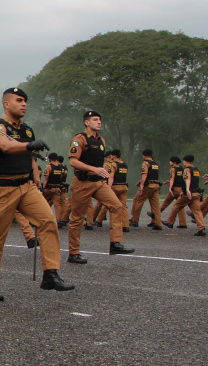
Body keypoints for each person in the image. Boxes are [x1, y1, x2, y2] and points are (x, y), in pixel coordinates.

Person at [0, 87, 71, 301]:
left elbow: (30, 158)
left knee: (49, 221)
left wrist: (37, 180)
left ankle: (50, 273)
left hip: (27, 185)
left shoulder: (27, 130)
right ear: (6, 104)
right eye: (19, 100)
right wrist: (28, 144)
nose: (24, 104)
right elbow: (5, 146)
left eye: (25, 101)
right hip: (3, 188)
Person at [66, 111, 134, 264]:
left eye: (100, 120)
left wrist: (101, 171)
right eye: (95, 120)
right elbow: (73, 162)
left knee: (117, 206)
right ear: (86, 122)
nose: (99, 122)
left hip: (98, 182)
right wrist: (94, 169)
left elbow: (98, 161)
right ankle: (73, 253)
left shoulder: (101, 140)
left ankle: (115, 243)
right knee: (77, 218)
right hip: (82, 182)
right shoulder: (80, 139)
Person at [163, 155, 206, 236]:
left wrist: (187, 190)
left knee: (176, 205)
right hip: (196, 193)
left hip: (189, 193)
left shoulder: (187, 170)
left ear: (186, 161)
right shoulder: (196, 170)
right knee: (197, 211)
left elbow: (188, 180)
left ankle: (170, 222)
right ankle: (202, 228)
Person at [130, 149, 162, 230]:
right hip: (156, 185)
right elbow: (153, 175)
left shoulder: (145, 163)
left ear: (144, 155)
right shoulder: (155, 164)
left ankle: (135, 220)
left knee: (138, 201)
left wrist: (142, 185)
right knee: (156, 206)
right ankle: (158, 223)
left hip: (148, 186)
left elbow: (145, 174)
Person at [153, 156, 187, 229]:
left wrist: (170, 188)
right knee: (180, 206)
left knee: (165, 203)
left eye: (170, 161)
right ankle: (183, 223)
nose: (170, 162)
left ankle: (155, 214)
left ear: (173, 162)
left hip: (174, 189)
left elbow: (172, 178)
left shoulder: (173, 169)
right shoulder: (181, 169)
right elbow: (181, 179)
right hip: (180, 189)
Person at [42, 153, 67, 226]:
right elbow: (61, 177)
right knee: (57, 205)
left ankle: (42, 218)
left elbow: (46, 178)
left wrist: (43, 187)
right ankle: (59, 220)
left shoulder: (49, 166)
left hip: (49, 188)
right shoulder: (60, 167)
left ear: (50, 158)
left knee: (42, 202)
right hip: (57, 189)